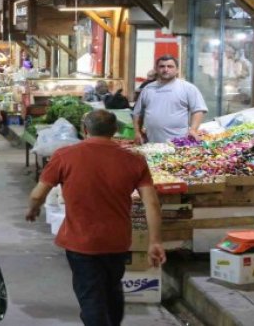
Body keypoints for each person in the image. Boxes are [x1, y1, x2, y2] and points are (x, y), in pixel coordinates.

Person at [26, 110, 165, 326]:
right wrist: (155, 242)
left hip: (80, 242)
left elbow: (37, 194)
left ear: (84, 130)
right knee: (111, 289)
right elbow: (152, 203)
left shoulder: (64, 156)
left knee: (91, 297)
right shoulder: (134, 160)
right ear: (116, 131)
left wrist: (33, 209)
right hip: (117, 241)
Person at [133, 55, 208, 144]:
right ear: (156, 69)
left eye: (170, 66)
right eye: (162, 66)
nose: (165, 69)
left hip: (178, 143)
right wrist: (137, 132)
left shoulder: (188, 88)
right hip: (151, 143)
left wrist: (193, 129)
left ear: (177, 70)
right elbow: (137, 113)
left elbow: (198, 110)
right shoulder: (148, 89)